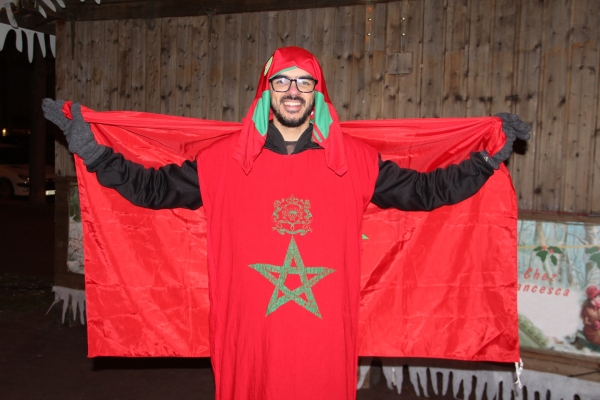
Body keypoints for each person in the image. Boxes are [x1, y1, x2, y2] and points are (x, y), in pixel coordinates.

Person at [43, 46, 530, 400]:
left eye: (304, 83)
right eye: (282, 81)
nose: (293, 92)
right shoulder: (219, 163)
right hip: (248, 338)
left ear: (317, 95)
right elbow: (150, 190)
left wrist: (486, 161)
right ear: (267, 91)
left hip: (324, 339)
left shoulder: (356, 162)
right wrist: (92, 152)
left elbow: (427, 192)